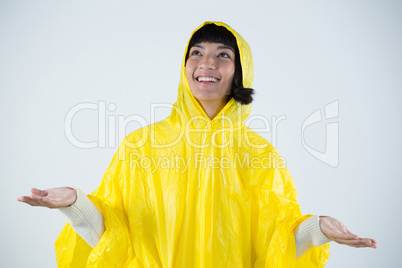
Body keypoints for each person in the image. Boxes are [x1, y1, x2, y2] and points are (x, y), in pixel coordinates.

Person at [18, 21, 376, 267]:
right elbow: (113, 239)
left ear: (240, 71)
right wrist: (75, 203)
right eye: (197, 52)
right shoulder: (141, 147)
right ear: (184, 65)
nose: (207, 63)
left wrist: (318, 229)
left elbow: (276, 247)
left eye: (223, 55)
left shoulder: (259, 155)